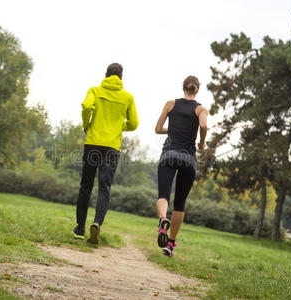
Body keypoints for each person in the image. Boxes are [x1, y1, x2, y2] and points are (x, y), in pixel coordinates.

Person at [73, 63, 139, 244]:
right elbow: (134, 123)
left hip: (93, 143)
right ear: (121, 77)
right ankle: (97, 223)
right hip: (111, 147)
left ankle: (79, 228)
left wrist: (87, 124)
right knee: (104, 187)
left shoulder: (95, 90)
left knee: (86, 185)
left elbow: (86, 107)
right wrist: (120, 126)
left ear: (106, 75)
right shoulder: (127, 97)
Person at [154, 75, 208, 256]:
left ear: (183, 88)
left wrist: (174, 129)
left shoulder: (170, 104)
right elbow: (204, 125)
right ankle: (170, 244)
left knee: (163, 195)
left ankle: (162, 220)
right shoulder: (201, 109)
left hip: (169, 155)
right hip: (188, 159)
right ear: (197, 90)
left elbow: (157, 129)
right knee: (180, 203)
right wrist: (202, 142)